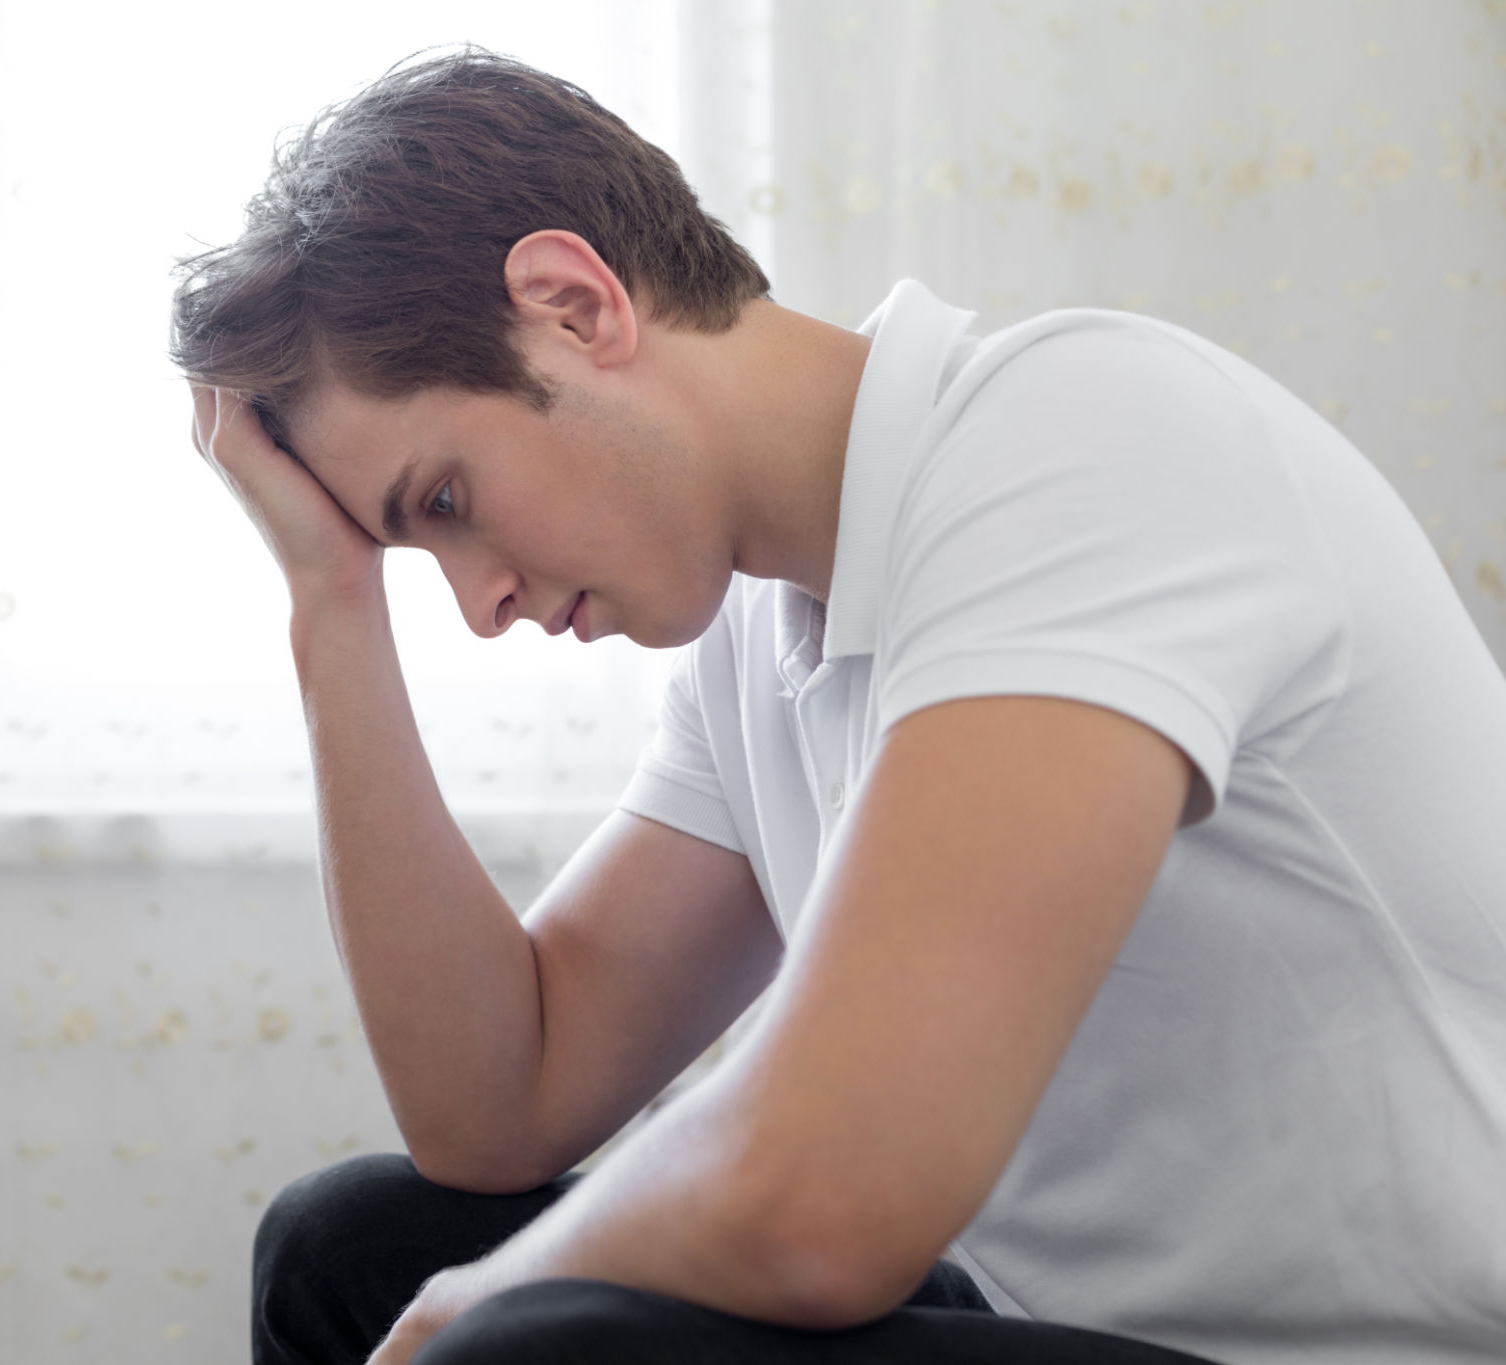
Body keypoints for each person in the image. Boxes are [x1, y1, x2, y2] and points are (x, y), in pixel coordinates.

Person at [170, 47, 1506, 1365]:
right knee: (343, 1248)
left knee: (539, 1340)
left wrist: (493, 1299)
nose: (479, 604)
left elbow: (834, 1199)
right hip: (1039, 1317)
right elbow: (496, 1103)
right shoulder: (757, 632)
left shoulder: (1076, 443)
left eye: (447, 504)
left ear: (574, 306)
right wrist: (329, 602)